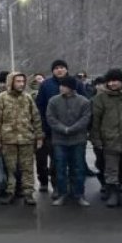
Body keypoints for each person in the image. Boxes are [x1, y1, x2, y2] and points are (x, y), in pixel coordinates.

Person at [91, 69, 122, 208]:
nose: (112, 83)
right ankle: (113, 193)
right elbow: (95, 121)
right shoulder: (100, 98)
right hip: (110, 140)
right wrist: (97, 140)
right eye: (110, 81)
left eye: (115, 80)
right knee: (111, 170)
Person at [0, 73, 44, 206]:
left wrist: (39, 136)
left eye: (22, 81)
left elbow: (36, 118)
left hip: (26, 139)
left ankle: (28, 193)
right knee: (10, 168)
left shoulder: (28, 98)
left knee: (27, 168)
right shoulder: (1, 98)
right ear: (11, 82)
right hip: (8, 140)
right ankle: (10, 192)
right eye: (18, 81)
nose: (21, 84)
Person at [35, 60, 86, 194]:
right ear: (52, 70)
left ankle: (75, 189)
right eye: (56, 68)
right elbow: (40, 107)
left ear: (66, 69)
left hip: (75, 131)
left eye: (62, 67)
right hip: (51, 130)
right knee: (56, 161)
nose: (59, 70)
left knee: (75, 163)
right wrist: (43, 128)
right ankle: (56, 186)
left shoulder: (77, 84)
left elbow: (85, 106)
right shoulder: (46, 85)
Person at [46, 76, 92, 206]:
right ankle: (62, 194)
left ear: (71, 88)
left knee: (78, 168)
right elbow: (50, 118)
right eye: (60, 85)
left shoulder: (84, 101)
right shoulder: (53, 101)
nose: (61, 88)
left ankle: (79, 194)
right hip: (59, 141)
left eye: (64, 86)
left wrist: (71, 129)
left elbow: (85, 118)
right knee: (60, 169)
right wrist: (63, 129)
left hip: (78, 140)